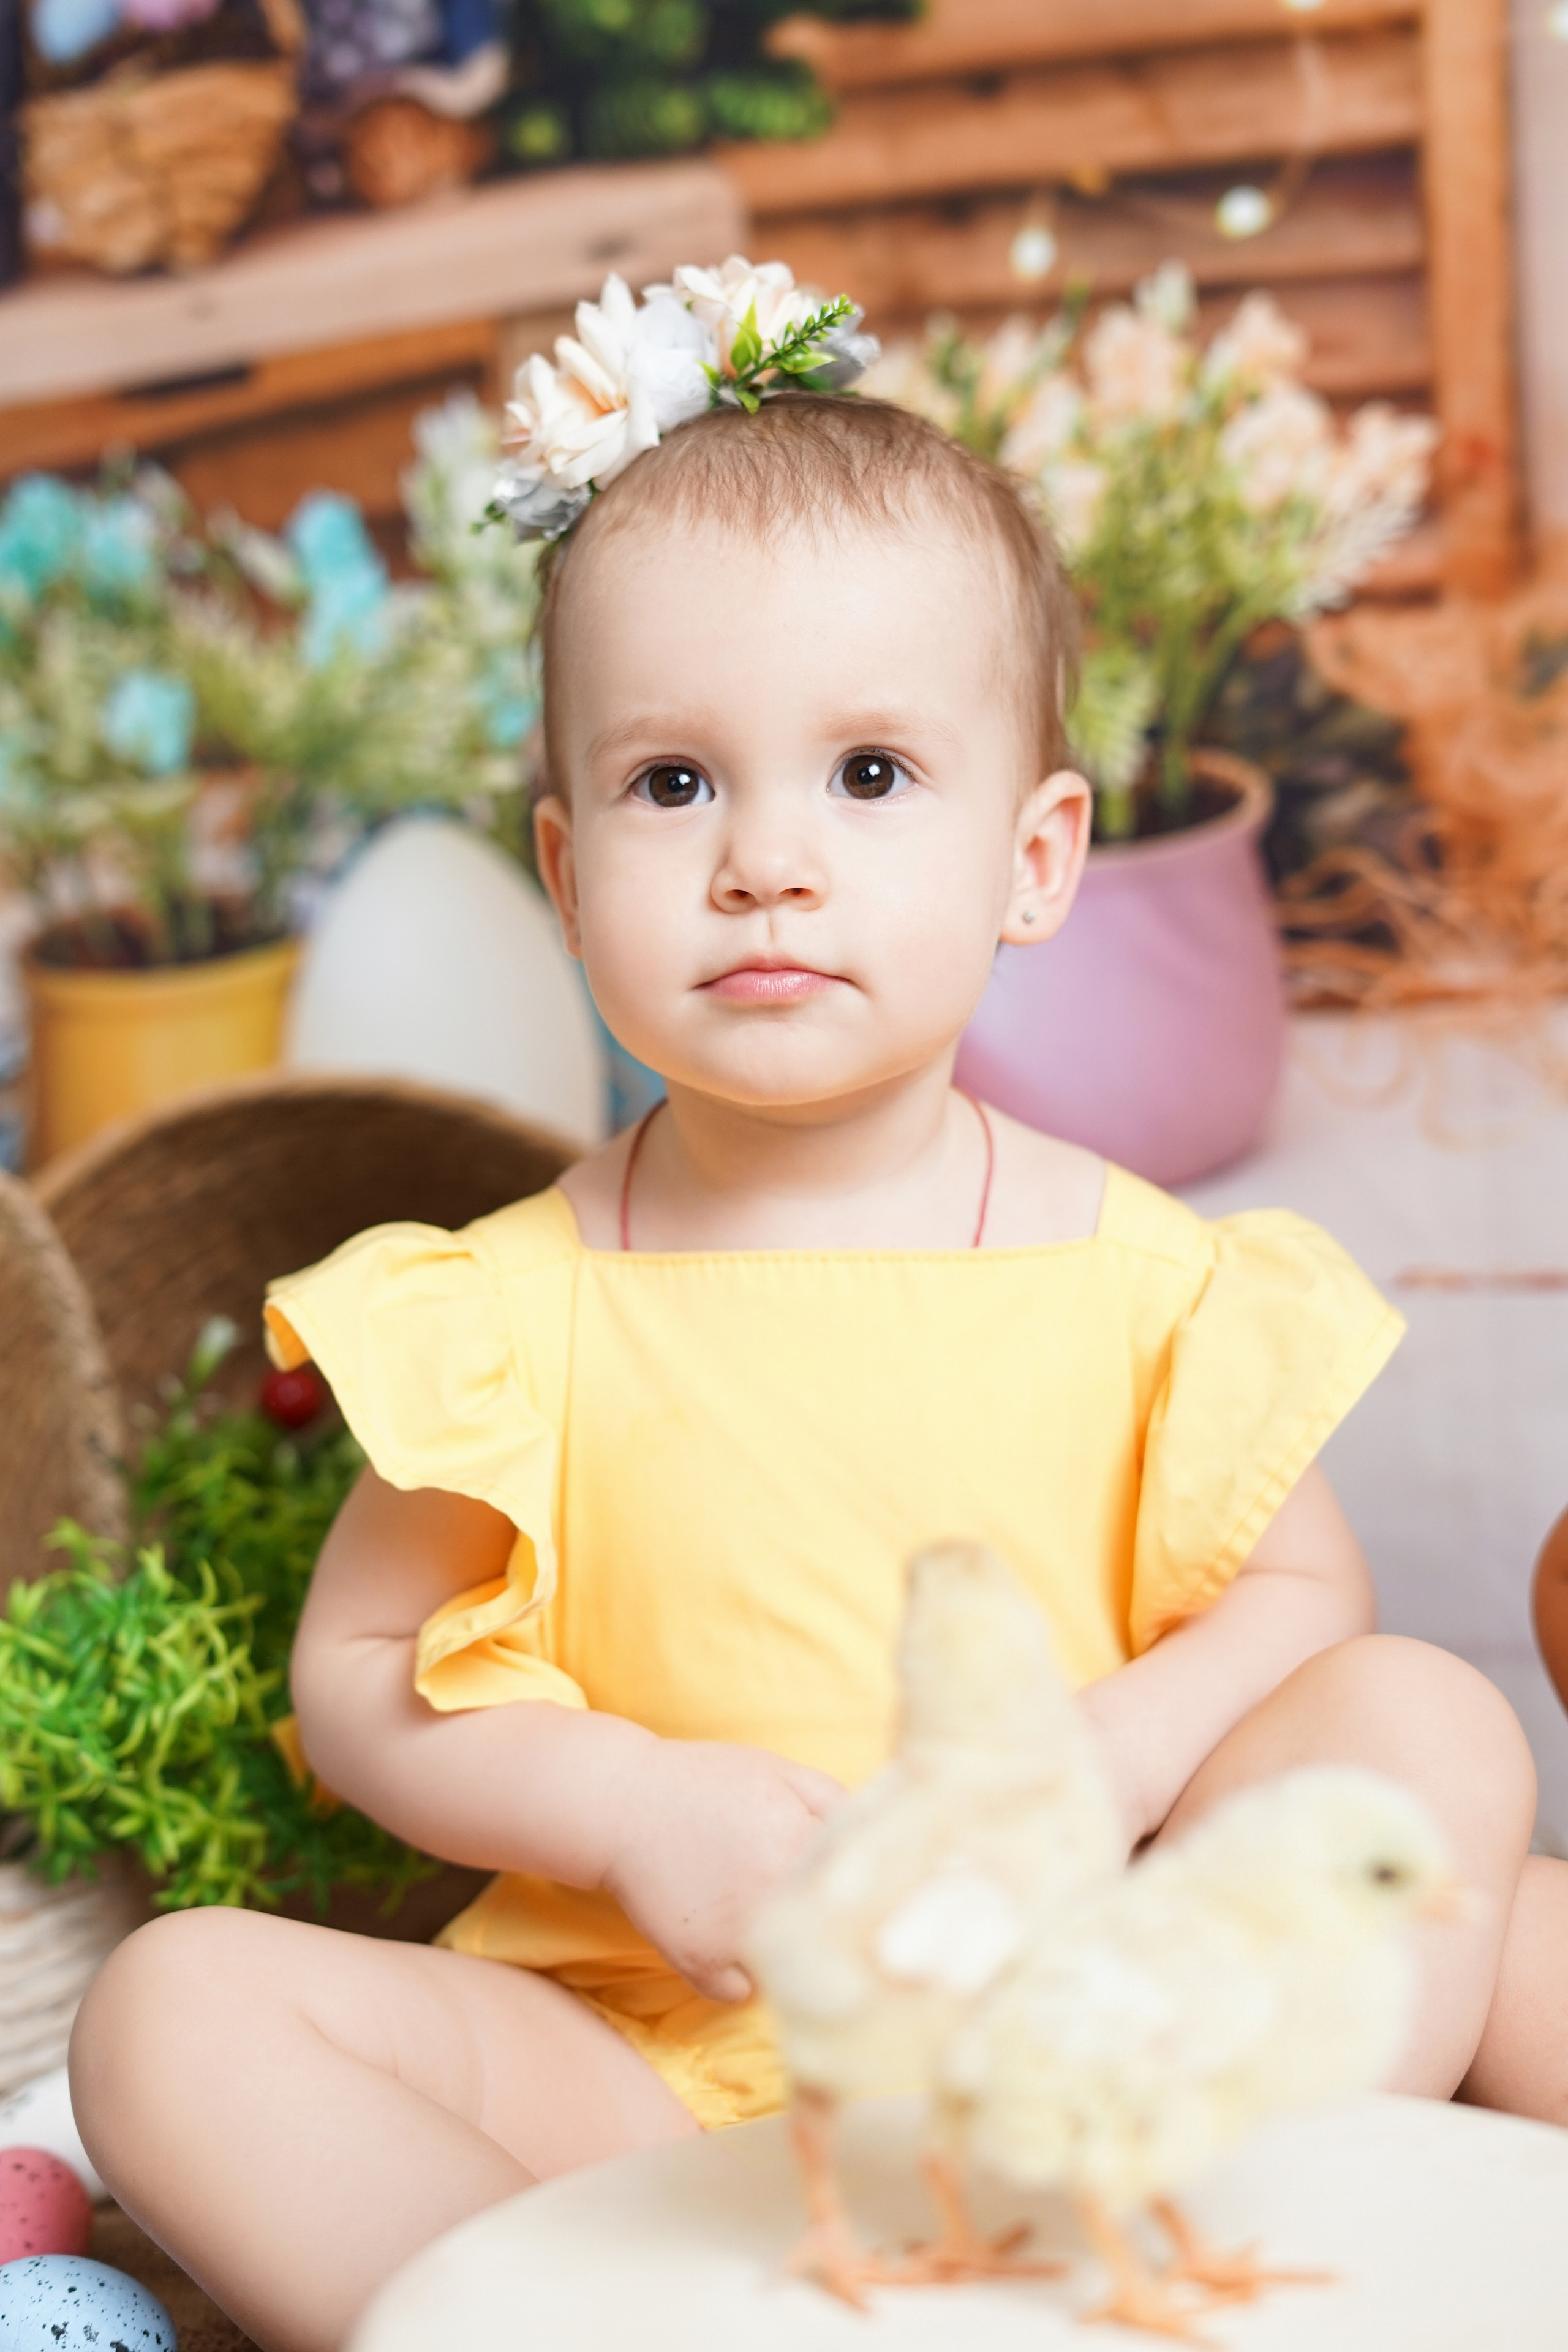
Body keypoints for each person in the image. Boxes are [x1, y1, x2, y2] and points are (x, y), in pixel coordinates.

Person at [70, 273, 1566, 2352]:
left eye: (868, 772)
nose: (766, 860)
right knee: (171, 2011)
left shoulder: (1142, 1281)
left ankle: (1188, 2248)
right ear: (566, 869)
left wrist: (1105, 1760)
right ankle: (566, 2328)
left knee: (1430, 1729)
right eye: (675, 784)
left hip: (1071, 2033)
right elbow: (364, 1675)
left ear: (1034, 858)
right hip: (642, 2087)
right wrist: (628, 1807)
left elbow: (1303, 1600)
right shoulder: (511, 1312)